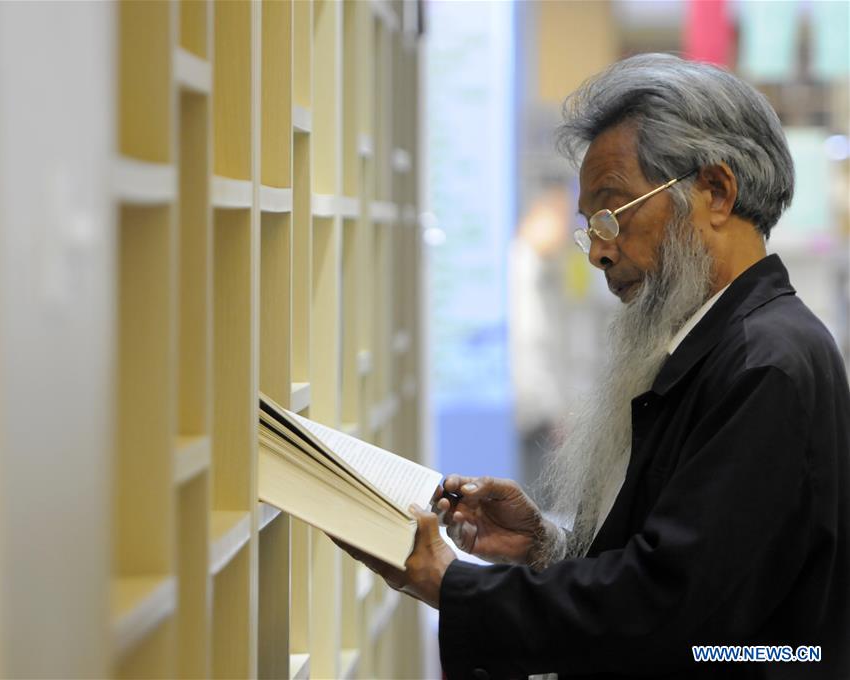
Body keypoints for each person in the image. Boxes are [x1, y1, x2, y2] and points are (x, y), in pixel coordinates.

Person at [338, 54, 850, 679]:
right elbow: (676, 560)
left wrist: (454, 586)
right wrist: (547, 548)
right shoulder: (716, 344)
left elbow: (672, 610)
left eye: (614, 212)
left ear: (715, 191)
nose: (601, 252)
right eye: (589, 227)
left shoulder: (767, 364)